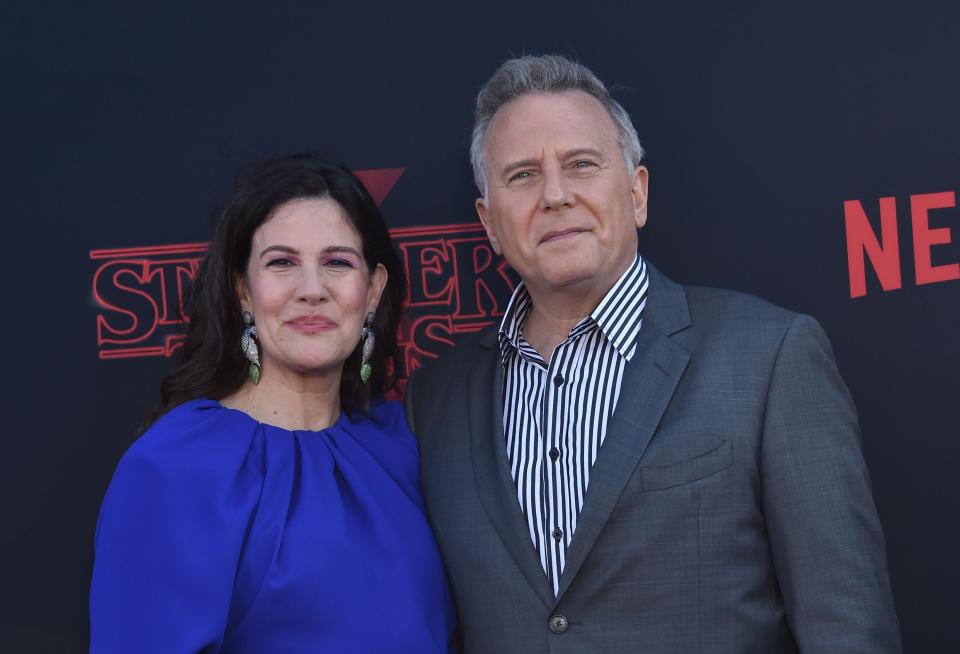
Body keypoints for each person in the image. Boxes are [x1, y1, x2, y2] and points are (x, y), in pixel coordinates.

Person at [405, 55, 901, 652]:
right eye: (522, 176)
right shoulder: (435, 397)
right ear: (489, 223)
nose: (555, 195)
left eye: (581, 165)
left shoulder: (768, 357)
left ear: (636, 193)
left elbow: (846, 628)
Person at [89, 154, 457, 653]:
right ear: (243, 289)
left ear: (372, 291)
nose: (312, 290)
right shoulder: (175, 466)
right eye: (281, 262)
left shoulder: (403, 449)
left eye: (337, 262)